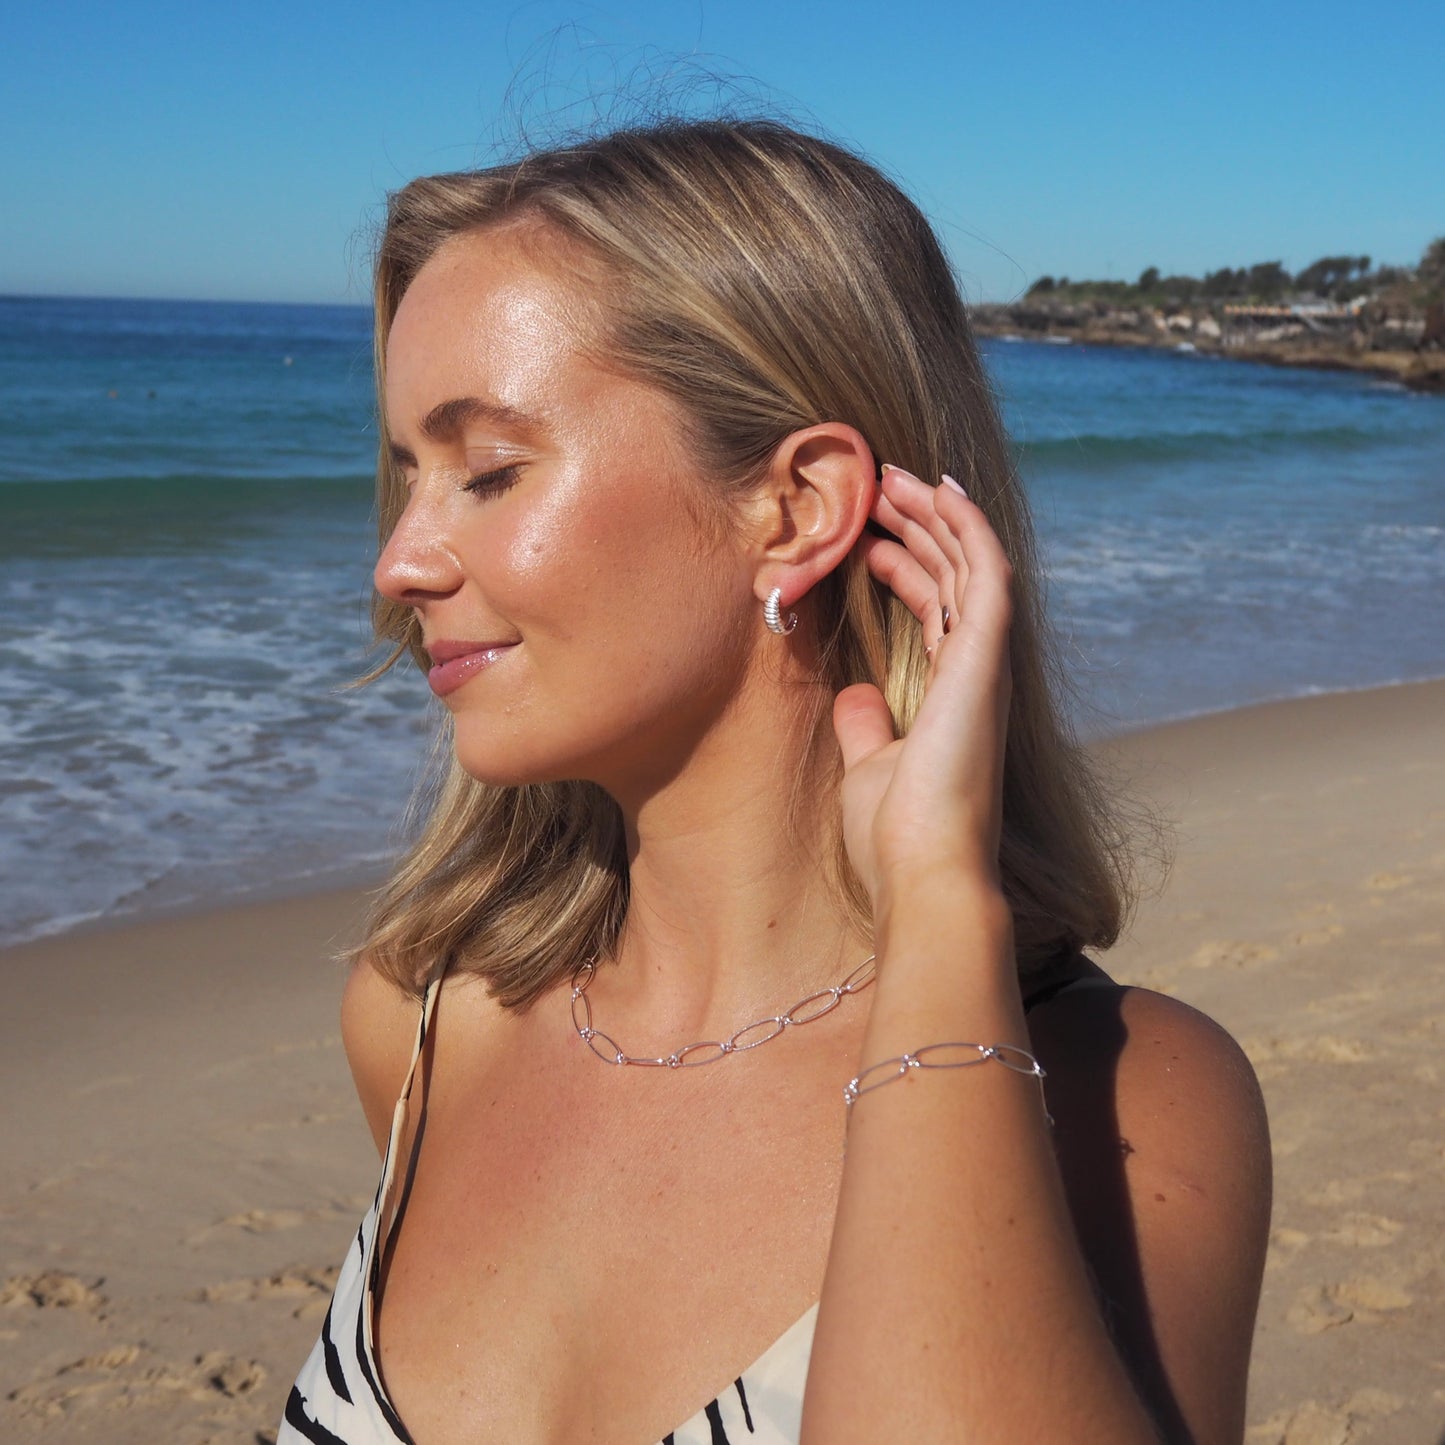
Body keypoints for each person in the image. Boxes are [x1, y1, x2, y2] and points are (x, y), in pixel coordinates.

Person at [279, 117, 1271, 1445]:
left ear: (797, 508)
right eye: (411, 476)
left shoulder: (1131, 1101)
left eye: (490, 472)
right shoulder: (423, 1022)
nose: (398, 562)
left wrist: (935, 911)